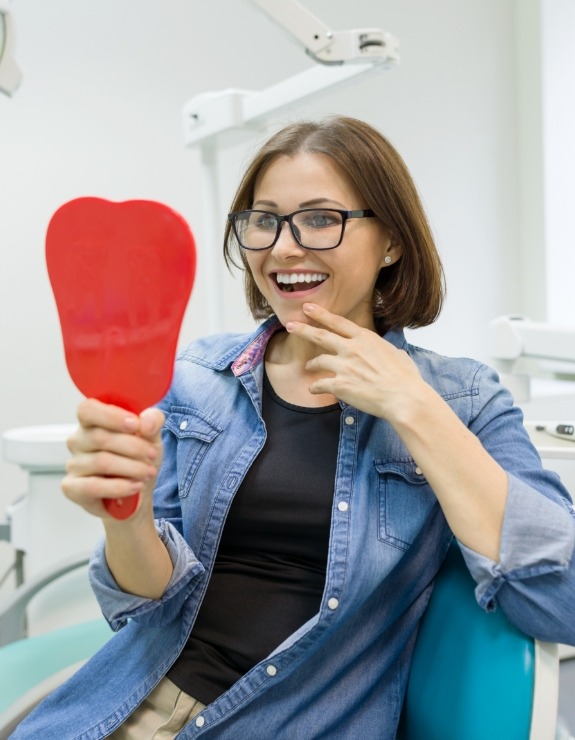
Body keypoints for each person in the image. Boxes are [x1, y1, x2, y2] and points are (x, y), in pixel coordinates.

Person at [12, 116, 575, 739]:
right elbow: (150, 608)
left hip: (293, 723)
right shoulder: (199, 378)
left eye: (319, 218)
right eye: (264, 220)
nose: (283, 247)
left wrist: (413, 406)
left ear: (391, 241)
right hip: (129, 708)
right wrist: (127, 517)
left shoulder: (462, 399)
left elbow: (561, 598)